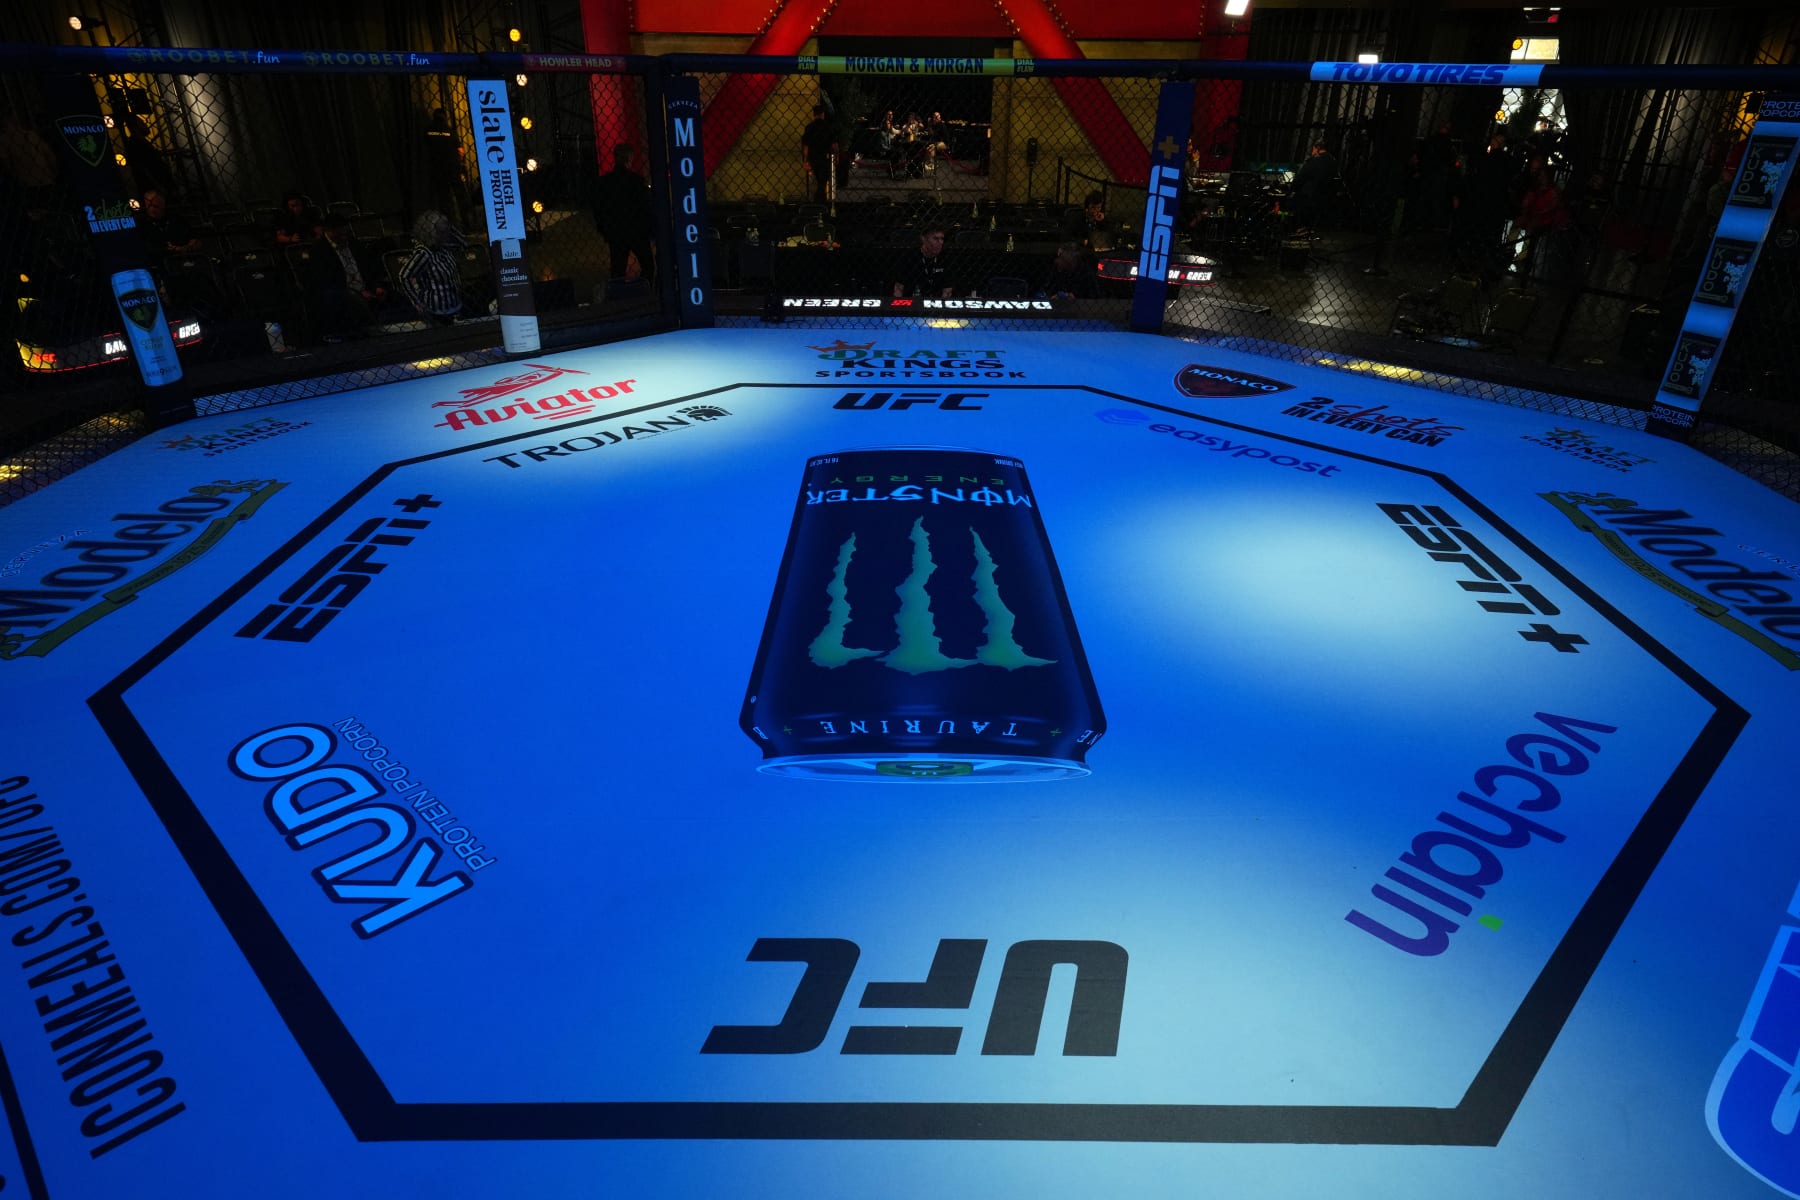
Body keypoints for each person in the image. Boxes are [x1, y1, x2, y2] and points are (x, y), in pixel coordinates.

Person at [308, 212, 386, 338]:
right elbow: (325, 280)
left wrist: (376, 286)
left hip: (364, 288)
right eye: (340, 233)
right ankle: (373, 330)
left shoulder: (354, 244)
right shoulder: (319, 250)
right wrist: (356, 292)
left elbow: (368, 269)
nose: (344, 236)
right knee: (350, 299)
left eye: (346, 232)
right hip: (343, 292)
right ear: (329, 231)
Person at [592, 144, 654, 282]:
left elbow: (598, 208)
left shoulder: (605, 182)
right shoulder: (636, 181)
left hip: (616, 231)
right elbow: (645, 207)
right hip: (636, 231)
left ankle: (619, 292)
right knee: (648, 265)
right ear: (630, 158)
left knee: (618, 269)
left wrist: (604, 229)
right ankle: (644, 289)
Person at [1516, 156, 1575, 284]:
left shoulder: (1553, 191)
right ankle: (1516, 252)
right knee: (1520, 224)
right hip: (1535, 216)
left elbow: (1552, 207)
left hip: (1546, 220)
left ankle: (1525, 257)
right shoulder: (1536, 189)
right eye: (1539, 175)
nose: (1540, 177)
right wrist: (1526, 209)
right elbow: (1527, 201)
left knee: (1532, 228)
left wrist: (1537, 212)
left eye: (1543, 175)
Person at [1291, 141, 1339, 234]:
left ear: (1317, 148)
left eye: (1313, 149)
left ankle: (1300, 227)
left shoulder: (1313, 161)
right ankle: (1312, 228)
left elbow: (1301, 178)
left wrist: (1293, 187)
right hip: (1324, 194)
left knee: (1294, 200)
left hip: (1309, 195)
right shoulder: (1333, 161)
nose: (1312, 152)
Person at [893, 226, 952, 299]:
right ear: (924, 239)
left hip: (936, 301)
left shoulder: (946, 258)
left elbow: (947, 290)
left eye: (942, 239)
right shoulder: (909, 257)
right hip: (912, 300)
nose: (940, 242)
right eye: (935, 238)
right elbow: (898, 288)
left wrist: (941, 305)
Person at [139, 188, 200, 255]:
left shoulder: (177, 220)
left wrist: (188, 247)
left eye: (156, 206)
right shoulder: (141, 222)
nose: (152, 209)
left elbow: (194, 238)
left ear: (163, 204)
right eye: (149, 206)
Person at [801, 105, 837, 203]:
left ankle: (816, 199)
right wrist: (836, 157)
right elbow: (834, 145)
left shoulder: (809, 127)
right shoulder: (828, 127)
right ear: (823, 114)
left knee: (816, 180)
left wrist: (805, 160)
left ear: (814, 114)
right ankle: (820, 200)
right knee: (823, 181)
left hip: (813, 157)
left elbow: (806, 146)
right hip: (825, 157)